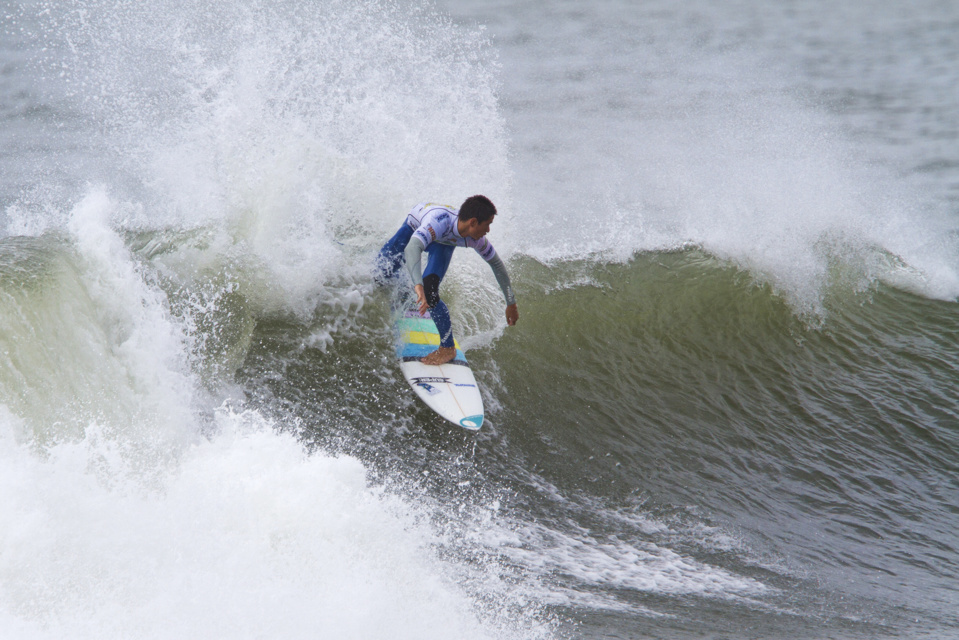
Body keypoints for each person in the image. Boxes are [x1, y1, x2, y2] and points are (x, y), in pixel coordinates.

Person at [375, 195, 519, 366]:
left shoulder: (477, 240)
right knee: (381, 275)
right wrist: (417, 285)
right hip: (413, 227)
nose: (488, 230)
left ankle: (447, 347)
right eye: (487, 224)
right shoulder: (437, 222)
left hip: (443, 243)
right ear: (473, 222)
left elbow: (496, 264)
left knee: (430, 292)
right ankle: (405, 291)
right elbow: (413, 247)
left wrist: (511, 303)